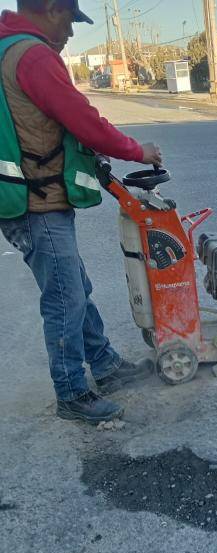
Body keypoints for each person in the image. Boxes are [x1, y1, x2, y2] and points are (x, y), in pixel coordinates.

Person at [0, 0, 163, 424]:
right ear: (52, 8)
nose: (72, 33)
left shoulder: (8, 49)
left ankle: (105, 366)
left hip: (26, 197)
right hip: (38, 202)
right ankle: (72, 392)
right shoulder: (32, 55)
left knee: (75, 287)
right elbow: (82, 120)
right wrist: (137, 150)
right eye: (70, 20)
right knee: (65, 297)